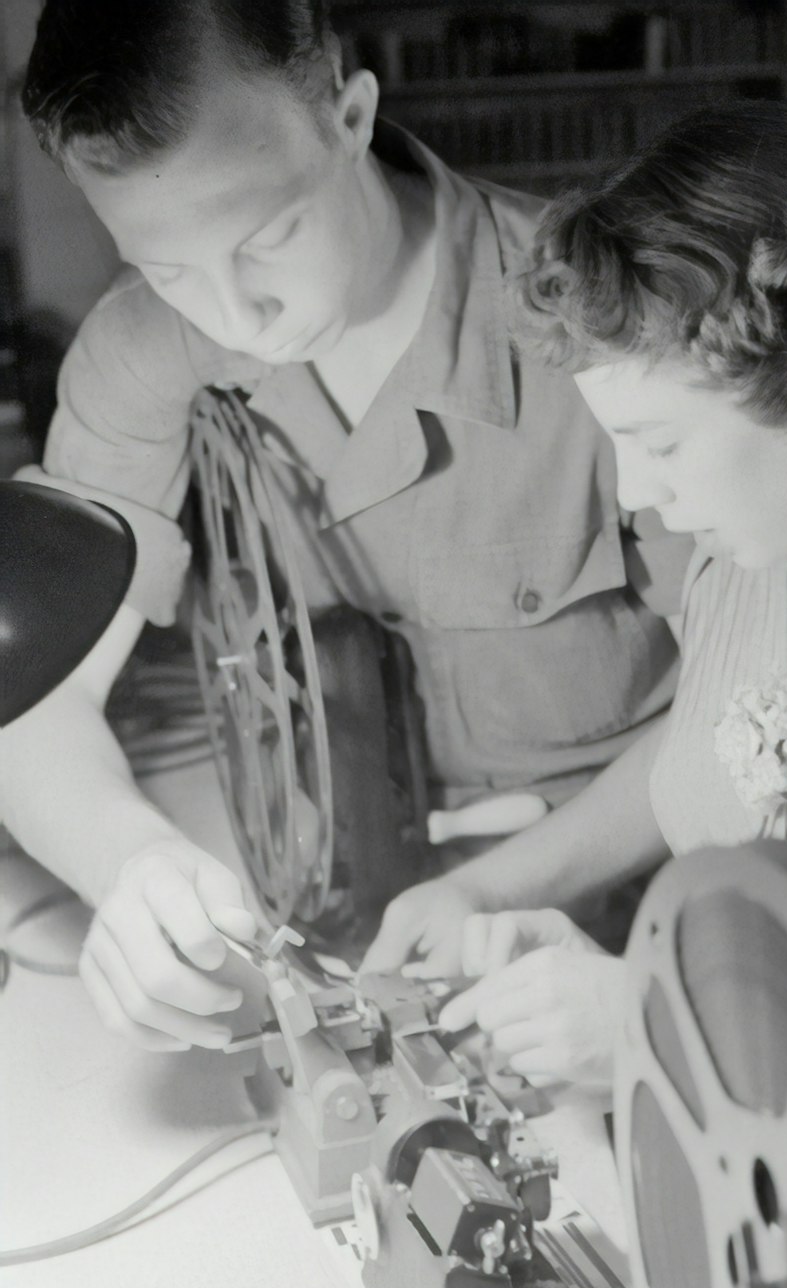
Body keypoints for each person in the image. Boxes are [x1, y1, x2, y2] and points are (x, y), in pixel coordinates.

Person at [0, 1, 688, 1051]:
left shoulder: (597, 320)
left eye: (269, 235)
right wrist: (126, 861)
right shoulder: (145, 351)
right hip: (339, 933)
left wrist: (510, 885)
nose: (236, 317)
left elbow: (753, 710)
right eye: (168, 269)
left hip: (631, 942)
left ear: (351, 114)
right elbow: (36, 697)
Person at [364, 101, 787, 1090]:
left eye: (659, 443)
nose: (635, 493)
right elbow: (716, 747)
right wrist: (491, 886)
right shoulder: (753, 549)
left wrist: (665, 1025)